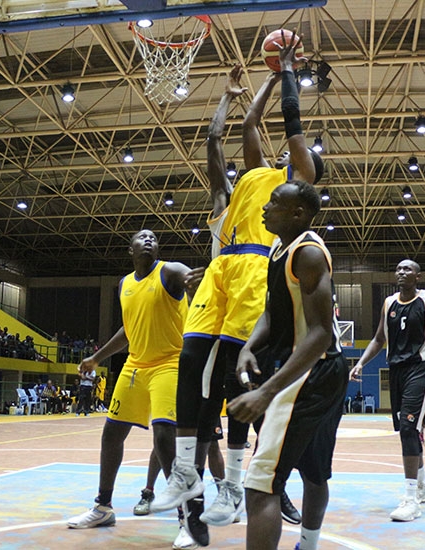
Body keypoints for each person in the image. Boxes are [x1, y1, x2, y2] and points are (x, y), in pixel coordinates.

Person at [152, 34, 322, 538]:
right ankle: (185, 472)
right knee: (191, 358)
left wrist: (288, 73)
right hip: (222, 269)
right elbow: (247, 124)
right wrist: (262, 80)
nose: (274, 151)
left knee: (231, 377)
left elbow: (291, 130)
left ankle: (230, 483)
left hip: (252, 270)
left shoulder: (300, 176)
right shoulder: (253, 176)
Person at [227, 180, 347, 550]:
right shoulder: (279, 248)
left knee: (261, 484)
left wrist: (266, 391)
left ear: (298, 213)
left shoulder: (308, 254)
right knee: (313, 473)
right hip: (316, 369)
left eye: (274, 202)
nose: (265, 207)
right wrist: (249, 346)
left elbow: (320, 334)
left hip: (311, 371)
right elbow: (271, 309)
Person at [66, 229, 201, 530]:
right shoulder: (125, 284)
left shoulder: (170, 272)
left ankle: (187, 518)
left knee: (164, 437)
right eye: (142, 237)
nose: (149, 240)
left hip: (170, 363)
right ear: (130, 250)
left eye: (154, 237)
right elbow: (129, 330)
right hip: (135, 365)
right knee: (111, 434)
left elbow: (194, 282)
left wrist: (198, 285)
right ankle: (103, 507)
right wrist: (97, 357)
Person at [350, 259, 425, 522]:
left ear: (418, 276)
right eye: (398, 269)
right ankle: (424, 485)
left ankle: (410, 500)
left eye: (408, 269)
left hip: (421, 367)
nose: (402, 272)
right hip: (396, 370)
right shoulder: (389, 304)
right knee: (408, 430)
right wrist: (360, 363)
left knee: (408, 429)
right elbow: (379, 339)